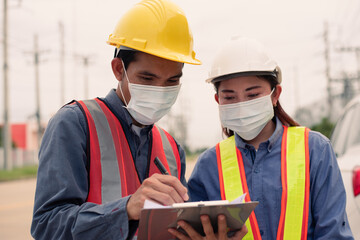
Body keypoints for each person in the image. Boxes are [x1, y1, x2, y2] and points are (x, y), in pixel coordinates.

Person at [31, 0, 248, 239]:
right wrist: (125, 209)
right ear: (118, 69)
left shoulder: (172, 149)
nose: (160, 90)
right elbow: (47, 226)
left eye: (171, 81)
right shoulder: (75, 124)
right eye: (147, 78)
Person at [188, 37, 354, 240]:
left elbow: (333, 234)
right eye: (230, 97)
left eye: (252, 95)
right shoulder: (208, 166)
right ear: (218, 100)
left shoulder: (315, 150)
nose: (241, 105)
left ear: (275, 95)